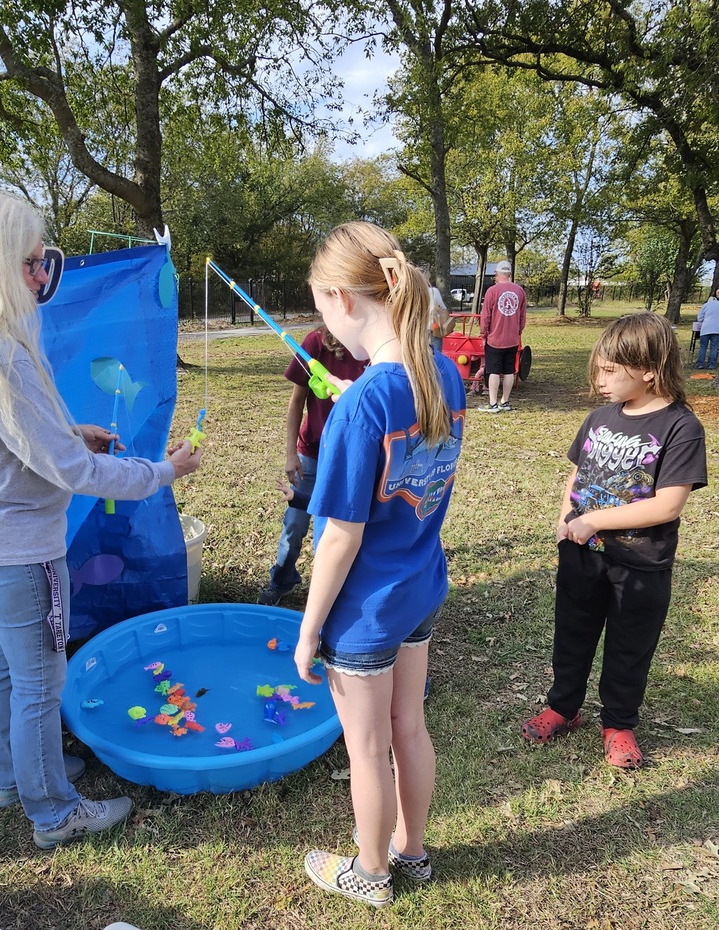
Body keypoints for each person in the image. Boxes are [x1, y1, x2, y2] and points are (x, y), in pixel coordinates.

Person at [0, 189, 203, 850]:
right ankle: (53, 810)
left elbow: (7, 437)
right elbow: (76, 473)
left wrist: (66, 430)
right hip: (17, 547)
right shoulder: (0, 352)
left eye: (44, 261)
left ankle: (14, 775)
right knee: (41, 680)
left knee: (12, 661)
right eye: (30, 263)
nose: (41, 277)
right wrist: (164, 473)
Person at [293, 222, 466, 906]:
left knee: (368, 749)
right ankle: (412, 853)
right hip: (418, 590)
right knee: (409, 728)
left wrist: (309, 631)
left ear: (340, 298)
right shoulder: (444, 373)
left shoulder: (364, 404)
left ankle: (371, 873)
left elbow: (339, 537)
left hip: (365, 614)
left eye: (319, 305)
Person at [521, 313, 706, 769]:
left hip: (639, 566)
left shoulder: (680, 427)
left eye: (609, 371)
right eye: (598, 369)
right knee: (572, 634)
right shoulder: (600, 418)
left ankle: (619, 724)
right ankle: (564, 707)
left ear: (648, 369)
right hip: (582, 556)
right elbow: (577, 473)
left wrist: (596, 519)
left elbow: (668, 505)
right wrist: (567, 515)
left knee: (629, 647)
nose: (599, 380)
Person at [257, 326, 366, 606]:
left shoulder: (373, 348)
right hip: (313, 454)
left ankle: (339, 587)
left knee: (343, 528)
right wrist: (290, 452)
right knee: (294, 524)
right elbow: (296, 401)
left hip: (351, 456)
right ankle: (282, 579)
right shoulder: (315, 343)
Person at [478, 260, 526, 412]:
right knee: (509, 370)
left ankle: (492, 403)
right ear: (510, 274)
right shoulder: (520, 291)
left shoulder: (492, 291)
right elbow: (522, 317)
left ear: (496, 274)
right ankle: (504, 401)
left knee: (493, 370)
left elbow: (485, 316)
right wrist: (518, 332)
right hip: (512, 338)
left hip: (495, 338)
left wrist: (483, 334)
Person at [695, 286, 719, 370]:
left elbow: (699, 318)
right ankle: (712, 365)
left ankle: (700, 364)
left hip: (705, 328)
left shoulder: (705, 305)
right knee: (714, 347)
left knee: (703, 347)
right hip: (717, 329)